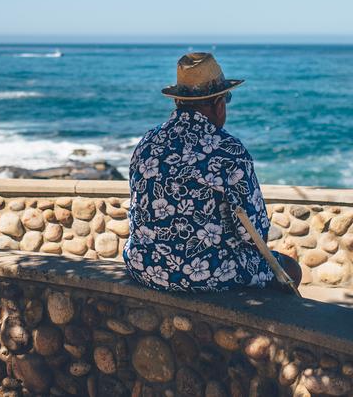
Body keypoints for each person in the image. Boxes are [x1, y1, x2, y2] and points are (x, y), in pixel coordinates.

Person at [123, 52, 301, 293]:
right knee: (290, 269)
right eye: (226, 99)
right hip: (205, 276)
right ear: (218, 104)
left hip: (145, 267)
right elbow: (254, 233)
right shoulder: (228, 150)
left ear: (178, 101)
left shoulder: (148, 142)